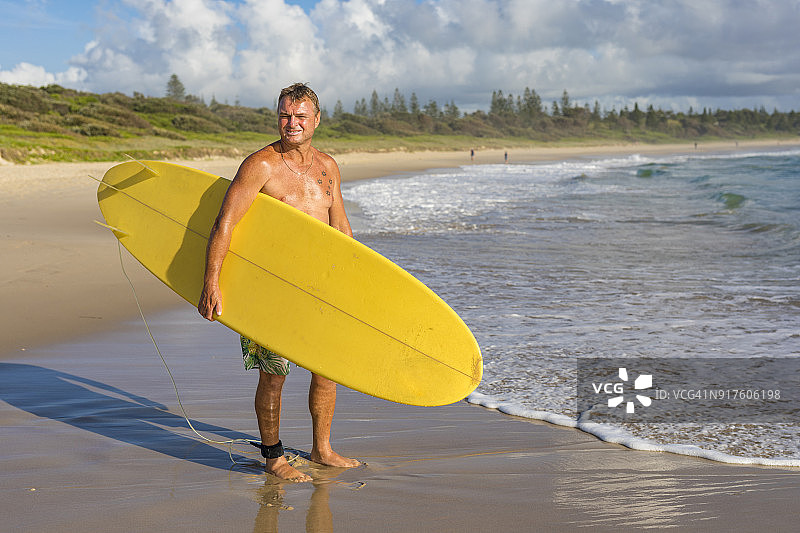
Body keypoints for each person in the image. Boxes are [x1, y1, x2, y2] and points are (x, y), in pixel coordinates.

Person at [198, 83, 359, 482]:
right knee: (273, 375)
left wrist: (355, 283)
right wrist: (211, 281)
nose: (292, 123)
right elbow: (226, 224)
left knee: (326, 370)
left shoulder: (328, 167)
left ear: (316, 120)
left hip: (319, 287)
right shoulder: (261, 165)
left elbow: (340, 227)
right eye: (285, 115)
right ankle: (274, 457)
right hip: (271, 288)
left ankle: (321, 449)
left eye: (301, 116)